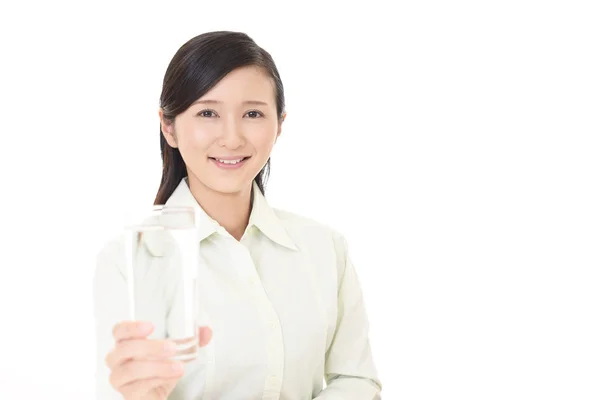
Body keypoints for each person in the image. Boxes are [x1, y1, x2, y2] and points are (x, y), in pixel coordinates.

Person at [93, 30, 382, 400]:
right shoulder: (131, 259)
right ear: (169, 126)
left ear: (279, 124)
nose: (231, 138)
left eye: (252, 113)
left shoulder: (324, 248)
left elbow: (356, 380)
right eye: (208, 113)